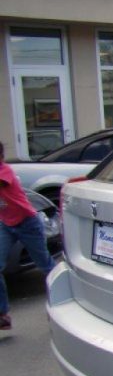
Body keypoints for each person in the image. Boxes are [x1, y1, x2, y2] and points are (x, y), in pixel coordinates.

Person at [0, 141, 55, 330]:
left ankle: (60, 303)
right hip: (6, 224)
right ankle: (2, 315)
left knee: (44, 264)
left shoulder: (4, 171)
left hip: (28, 223)